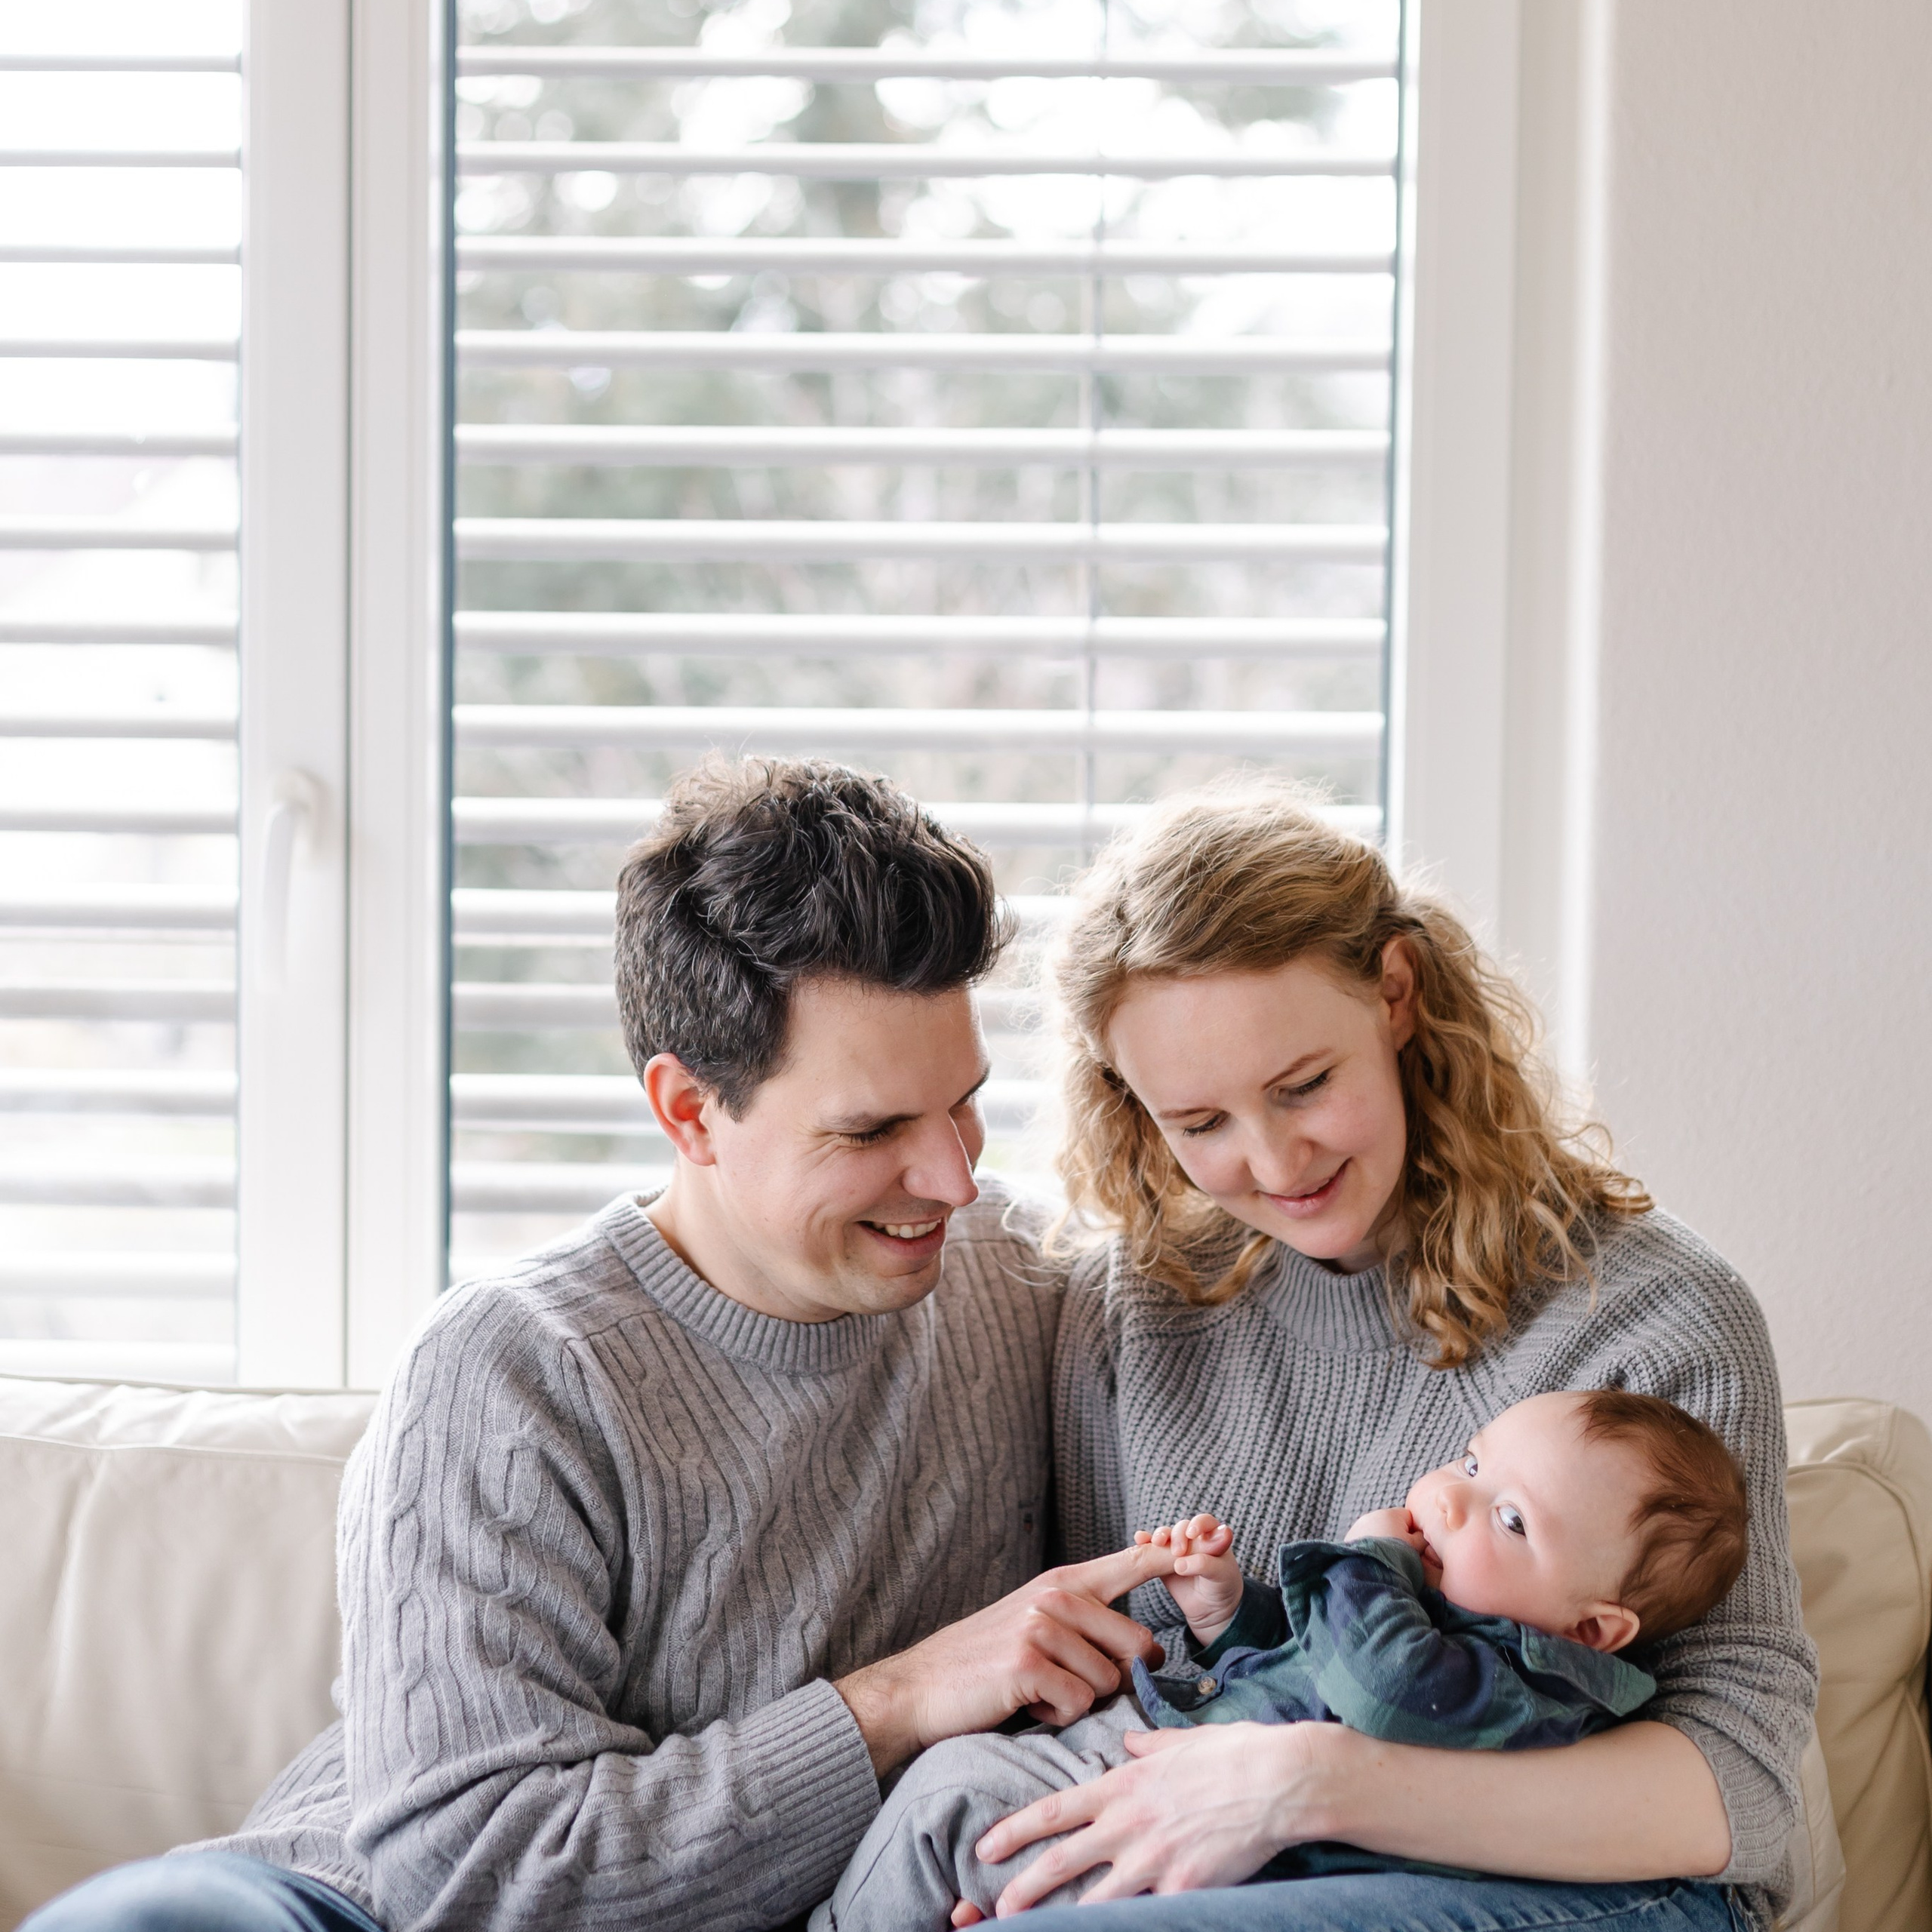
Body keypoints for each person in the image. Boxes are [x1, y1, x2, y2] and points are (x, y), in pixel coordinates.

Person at [21, 758, 1177, 1932]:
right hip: (333, 1911)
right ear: (687, 1110)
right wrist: (900, 1700)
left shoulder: (1021, 1285)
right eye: (872, 1129)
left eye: (965, 1101)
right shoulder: (512, 1369)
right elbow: (476, 1877)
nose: (954, 1176)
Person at [976, 781, 1817, 1932]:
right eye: (1201, 1123)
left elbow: (1743, 1788)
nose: (1275, 1161)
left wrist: (1309, 1786)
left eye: (1304, 1085)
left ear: (1398, 994)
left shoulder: (1654, 1316)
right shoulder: (1135, 1301)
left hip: (1588, 1898)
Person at [810, 1388, 1750, 1929]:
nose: (1452, 1501)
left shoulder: (1525, 1681)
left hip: (1203, 1832)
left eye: (1511, 1519)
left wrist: (1369, 1553)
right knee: (962, 1807)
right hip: (1172, 1778)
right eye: (1470, 1463)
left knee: (951, 1793)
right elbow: (1305, 1676)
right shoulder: (1442, 1613)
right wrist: (1229, 1613)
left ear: (1591, 1629)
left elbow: (1380, 1689)